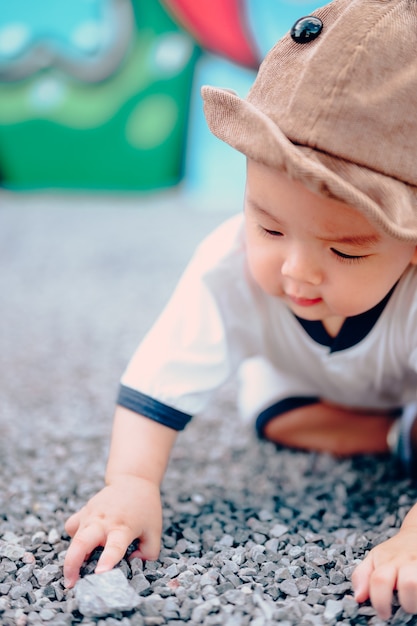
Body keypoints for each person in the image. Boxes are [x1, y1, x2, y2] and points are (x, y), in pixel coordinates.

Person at [63, 0, 417, 619]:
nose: (297, 270)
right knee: (273, 416)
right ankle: (396, 435)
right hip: (300, 383)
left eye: (344, 249)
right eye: (270, 228)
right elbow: (160, 378)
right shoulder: (226, 264)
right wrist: (131, 484)